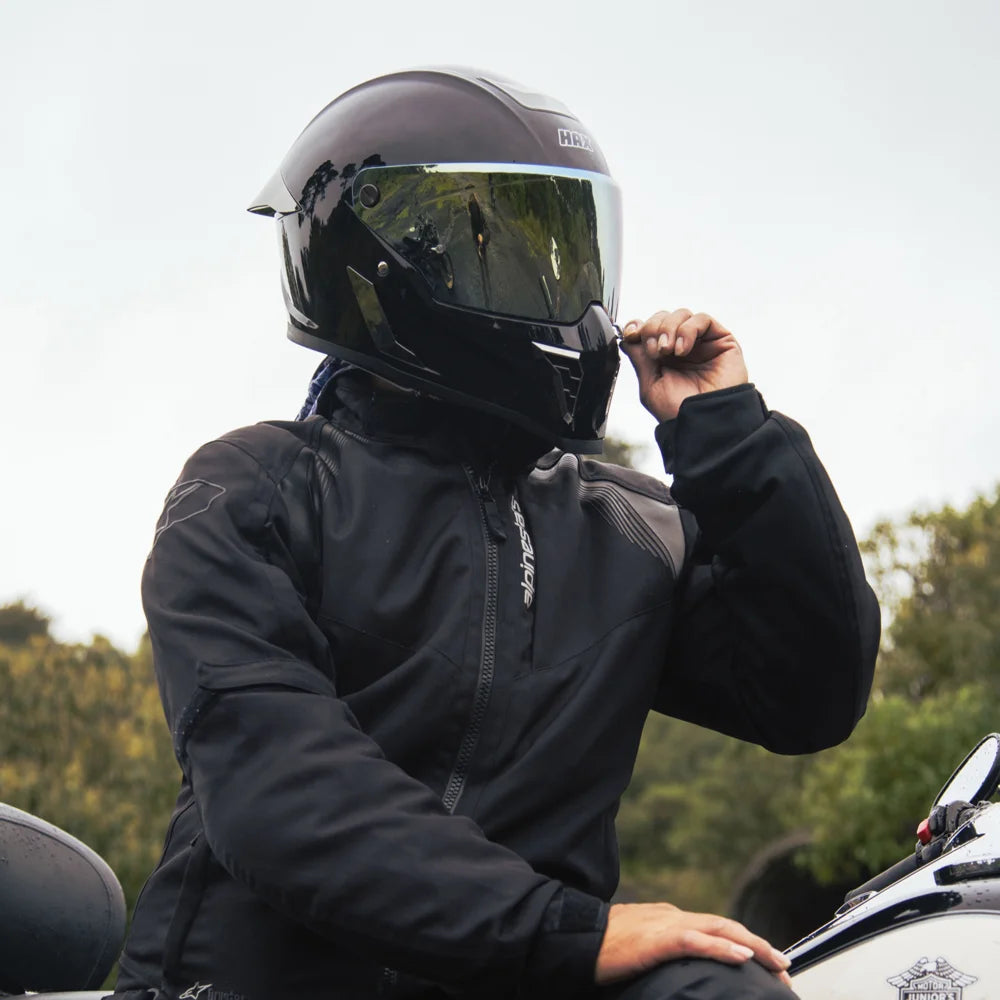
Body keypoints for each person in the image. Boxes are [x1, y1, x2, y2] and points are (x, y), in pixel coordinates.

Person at [112, 68, 880, 1000]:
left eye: (567, 242)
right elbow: (281, 788)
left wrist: (728, 435)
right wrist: (566, 929)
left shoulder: (625, 526)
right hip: (256, 987)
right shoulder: (259, 488)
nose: (561, 283)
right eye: (501, 245)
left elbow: (805, 696)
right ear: (389, 258)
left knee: (728, 990)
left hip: (526, 974)